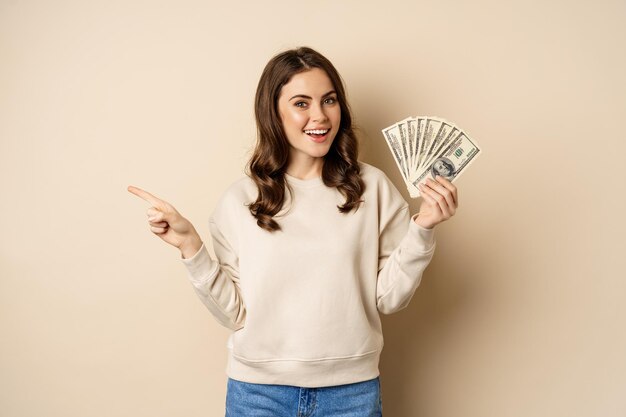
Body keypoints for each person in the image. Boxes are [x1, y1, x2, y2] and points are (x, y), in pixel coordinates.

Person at [128, 46, 458, 416]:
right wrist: (190, 244)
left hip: (351, 394)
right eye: (301, 103)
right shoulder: (240, 200)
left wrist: (423, 228)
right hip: (258, 396)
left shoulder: (373, 187)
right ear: (274, 113)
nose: (319, 116)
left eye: (329, 100)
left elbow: (389, 299)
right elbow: (233, 315)